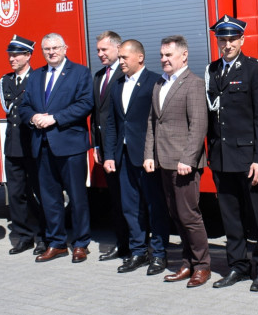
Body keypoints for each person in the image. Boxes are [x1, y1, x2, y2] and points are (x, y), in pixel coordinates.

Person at [205, 16, 258, 292]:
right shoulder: (213, 70)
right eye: (222, 39)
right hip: (222, 157)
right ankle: (238, 266)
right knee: (231, 217)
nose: (227, 44)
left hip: (248, 159)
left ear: (242, 40)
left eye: (232, 39)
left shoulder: (254, 70)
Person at [144, 35, 211, 288]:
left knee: (189, 215)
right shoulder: (160, 84)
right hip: (163, 161)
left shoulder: (193, 84)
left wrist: (188, 159)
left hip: (183, 163)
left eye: (168, 55)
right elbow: (153, 122)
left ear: (184, 55)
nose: (163, 59)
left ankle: (202, 266)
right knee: (175, 214)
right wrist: (149, 155)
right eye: (161, 55)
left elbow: (198, 126)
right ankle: (187, 262)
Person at [21, 33, 95, 263]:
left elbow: (85, 104)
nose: (51, 52)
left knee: (77, 196)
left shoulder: (80, 72)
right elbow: (24, 107)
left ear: (65, 48)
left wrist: (55, 118)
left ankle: (81, 243)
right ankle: (57, 243)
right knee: (49, 198)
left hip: (69, 145)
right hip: (42, 145)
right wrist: (33, 117)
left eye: (55, 47)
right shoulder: (35, 76)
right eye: (47, 49)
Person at [102, 39, 170, 275]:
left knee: (154, 206)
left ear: (139, 57)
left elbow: (159, 121)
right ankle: (138, 252)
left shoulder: (155, 82)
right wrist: (109, 154)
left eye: (124, 57)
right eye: (119, 57)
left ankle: (159, 254)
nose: (120, 62)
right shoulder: (117, 84)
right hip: (123, 157)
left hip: (147, 156)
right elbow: (112, 122)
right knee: (130, 208)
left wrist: (154, 153)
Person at [0, 35, 45, 255]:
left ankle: (45, 236)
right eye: (10, 54)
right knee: (16, 194)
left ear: (28, 55)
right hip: (13, 146)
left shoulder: (39, 78)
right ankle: (24, 236)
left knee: (42, 193)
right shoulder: (5, 81)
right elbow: (9, 112)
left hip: (34, 145)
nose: (12, 58)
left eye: (16, 54)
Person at [92, 31, 130, 261]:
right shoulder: (98, 76)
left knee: (131, 200)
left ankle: (137, 245)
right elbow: (96, 115)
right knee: (115, 200)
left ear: (118, 48)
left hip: (123, 148)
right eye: (98, 50)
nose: (100, 54)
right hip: (106, 148)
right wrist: (97, 146)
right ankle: (122, 243)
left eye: (104, 50)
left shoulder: (125, 74)